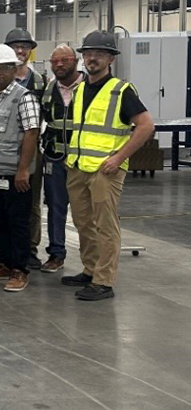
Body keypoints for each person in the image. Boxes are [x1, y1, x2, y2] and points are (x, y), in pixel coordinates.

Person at [62, 30, 154, 301]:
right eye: (88, 53)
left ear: (110, 59)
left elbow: (146, 125)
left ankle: (104, 281)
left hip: (105, 170)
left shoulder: (121, 91)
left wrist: (119, 157)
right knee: (83, 223)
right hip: (78, 166)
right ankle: (90, 270)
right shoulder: (79, 90)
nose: (92, 58)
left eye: (99, 54)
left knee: (105, 225)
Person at [0, 45, 42, 292]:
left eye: (3, 68)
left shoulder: (24, 97)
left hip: (15, 174)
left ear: (14, 69)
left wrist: (23, 170)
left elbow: (31, 133)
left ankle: (20, 269)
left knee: (18, 222)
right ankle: (4, 262)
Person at [5, 28, 48, 269]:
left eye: (25, 47)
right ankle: (4, 248)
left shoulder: (41, 81)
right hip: (3, 150)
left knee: (31, 201)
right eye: (15, 46)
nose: (20, 50)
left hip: (32, 150)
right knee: (3, 200)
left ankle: (30, 249)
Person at [39, 44, 85, 273]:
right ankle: (56, 254)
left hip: (84, 161)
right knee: (55, 207)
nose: (59, 64)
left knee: (85, 211)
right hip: (54, 158)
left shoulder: (91, 88)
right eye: (55, 61)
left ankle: (91, 260)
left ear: (76, 61)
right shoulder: (47, 90)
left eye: (64, 60)